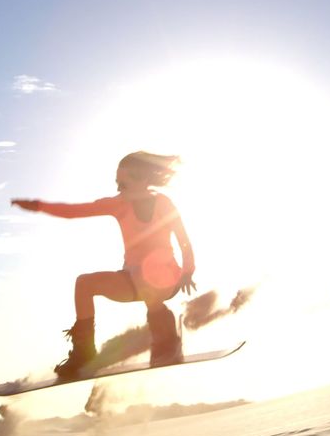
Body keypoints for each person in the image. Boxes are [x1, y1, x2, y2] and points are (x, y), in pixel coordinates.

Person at [11, 151, 197, 380]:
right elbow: (75, 211)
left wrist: (188, 270)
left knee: (150, 273)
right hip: (133, 279)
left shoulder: (164, 203)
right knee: (84, 284)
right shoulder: (118, 205)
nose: (119, 188)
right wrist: (39, 206)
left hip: (168, 278)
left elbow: (184, 240)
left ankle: (167, 340)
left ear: (143, 179)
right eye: (117, 183)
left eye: (124, 183)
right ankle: (85, 354)